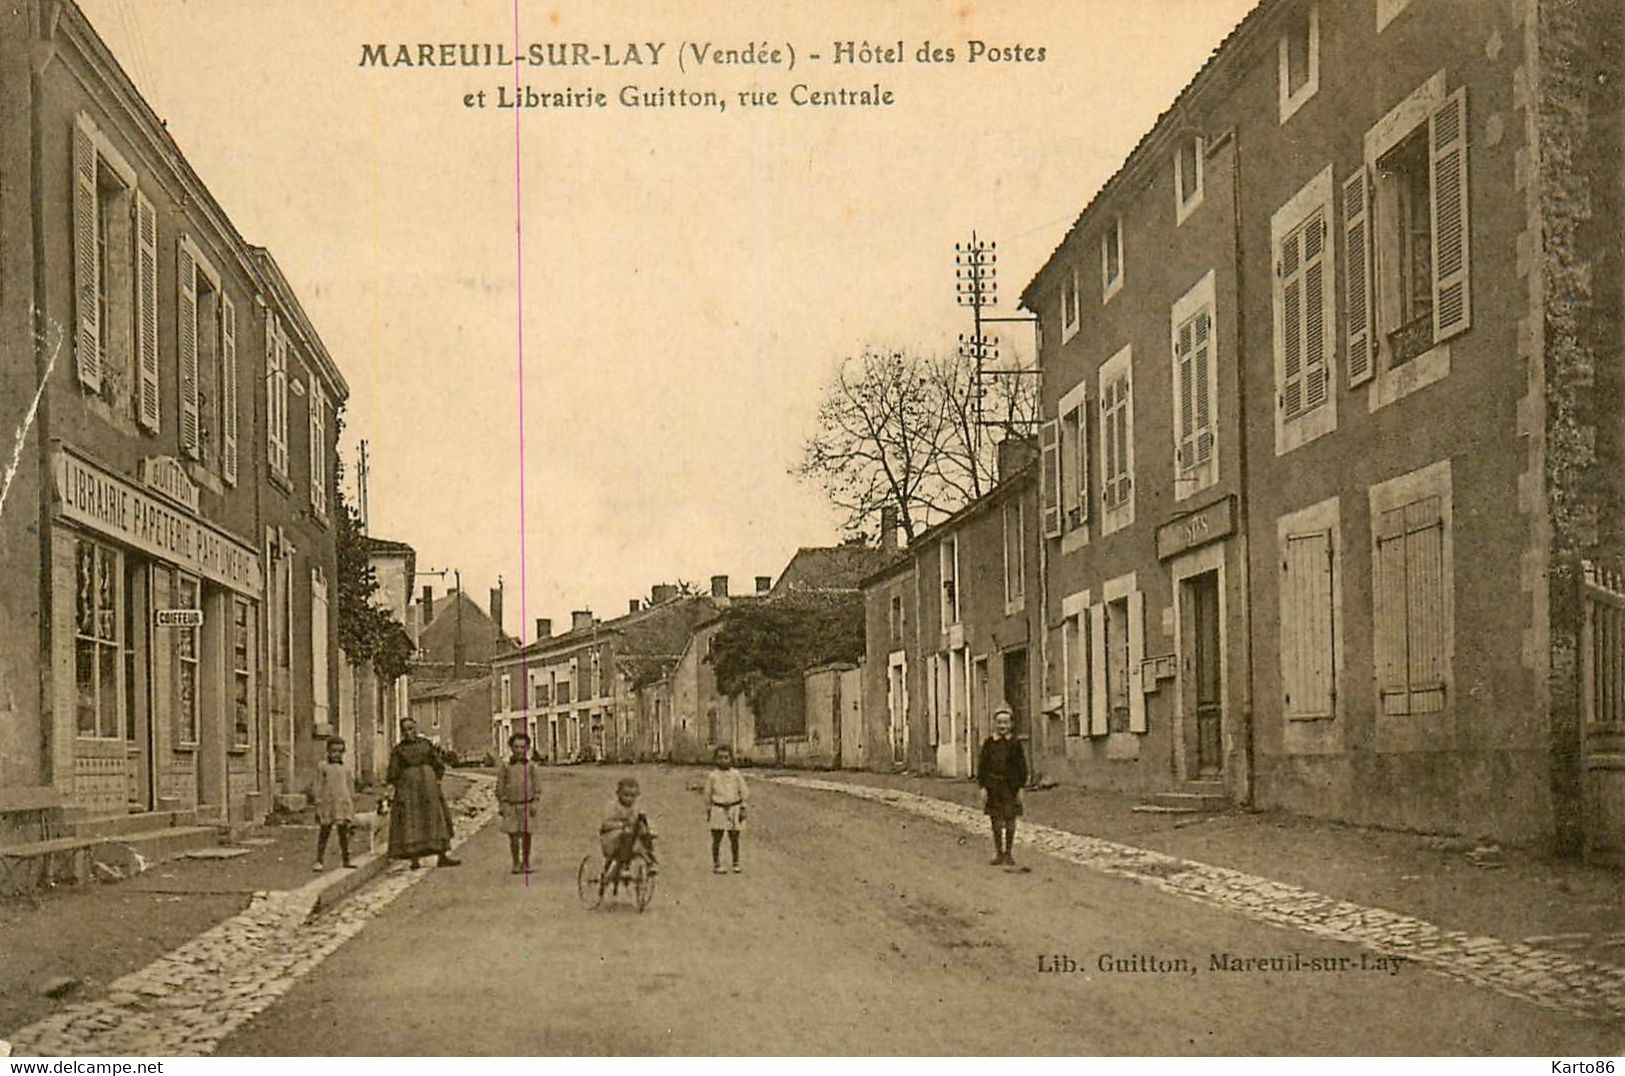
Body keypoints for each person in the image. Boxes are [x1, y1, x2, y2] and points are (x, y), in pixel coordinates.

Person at [386, 717, 462, 869]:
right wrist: (399, 787)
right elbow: (393, 772)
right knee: (412, 820)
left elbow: (437, 763)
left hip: (429, 786)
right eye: (405, 730)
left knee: (435, 816)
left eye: (411, 729)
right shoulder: (398, 750)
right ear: (401, 732)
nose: (409, 733)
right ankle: (414, 859)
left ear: (416, 728)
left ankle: (442, 856)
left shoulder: (425, 744)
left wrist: (437, 779)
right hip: (409, 789)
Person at [977, 705, 1029, 866]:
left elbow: (1022, 767)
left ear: (1011, 725)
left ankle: (1009, 853)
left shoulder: (1015, 744)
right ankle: (999, 853)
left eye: (1005, 723)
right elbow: (982, 767)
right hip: (993, 786)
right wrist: (983, 787)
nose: (1002, 726)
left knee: (1010, 820)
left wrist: (1020, 788)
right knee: (995, 821)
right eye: (999, 723)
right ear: (995, 724)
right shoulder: (989, 743)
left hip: (1010, 787)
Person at [496, 731, 542, 875]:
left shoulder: (531, 767)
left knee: (527, 835)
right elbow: (500, 787)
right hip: (511, 805)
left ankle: (526, 862)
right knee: (514, 836)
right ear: (511, 748)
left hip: (527, 805)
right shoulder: (506, 767)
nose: (519, 750)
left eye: (522, 747)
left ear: (527, 748)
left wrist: (535, 801)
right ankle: (516, 863)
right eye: (516, 747)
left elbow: (537, 786)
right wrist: (503, 804)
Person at [310, 736, 356, 871]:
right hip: (328, 804)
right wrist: (318, 802)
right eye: (333, 751)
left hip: (341, 804)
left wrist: (350, 803)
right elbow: (318, 786)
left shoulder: (345, 768)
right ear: (327, 751)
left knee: (343, 833)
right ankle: (319, 860)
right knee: (325, 831)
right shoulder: (323, 767)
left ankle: (346, 860)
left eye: (339, 752)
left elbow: (349, 787)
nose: (336, 754)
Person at [599, 776, 657, 880]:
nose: (629, 799)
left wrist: (648, 828)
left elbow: (642, 820)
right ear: (618, 794)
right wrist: (622, 825)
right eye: (626, 795)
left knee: (644, 831)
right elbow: (605, 824)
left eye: (633, 796)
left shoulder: (636, 808)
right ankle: (624, 867)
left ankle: (650, 860)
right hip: (613, 840)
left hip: (631, 841)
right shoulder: (612, 807)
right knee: (626, 835)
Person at [703, 746, 748, 874]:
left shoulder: (736, 774)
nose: (724, 760)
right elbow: (707, 794)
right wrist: (708, 810)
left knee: (734, 837)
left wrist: (743, 808)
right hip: (718, 808)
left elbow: (743, 791)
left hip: (734, 808)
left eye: (726, 757)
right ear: (716, 759)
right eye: (720, 758)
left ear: (731, 759)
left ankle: (736, 862)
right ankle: (717, 864)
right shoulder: (713, 776)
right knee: (717, 837)